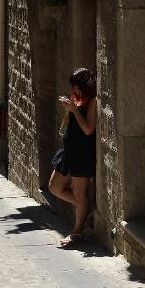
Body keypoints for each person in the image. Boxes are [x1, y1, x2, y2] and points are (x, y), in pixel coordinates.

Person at [48, 68, 97, 247]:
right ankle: (86, 207)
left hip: (82, 153)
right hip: (69, 150)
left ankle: (76, 231)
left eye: (77, 86)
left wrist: (74, 111)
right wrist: (70, 109)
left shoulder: (93, 102)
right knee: (54, 186)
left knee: (78, 192)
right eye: (73, 86)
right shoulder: (79, 99)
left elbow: (88, 129)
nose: (74, 89)